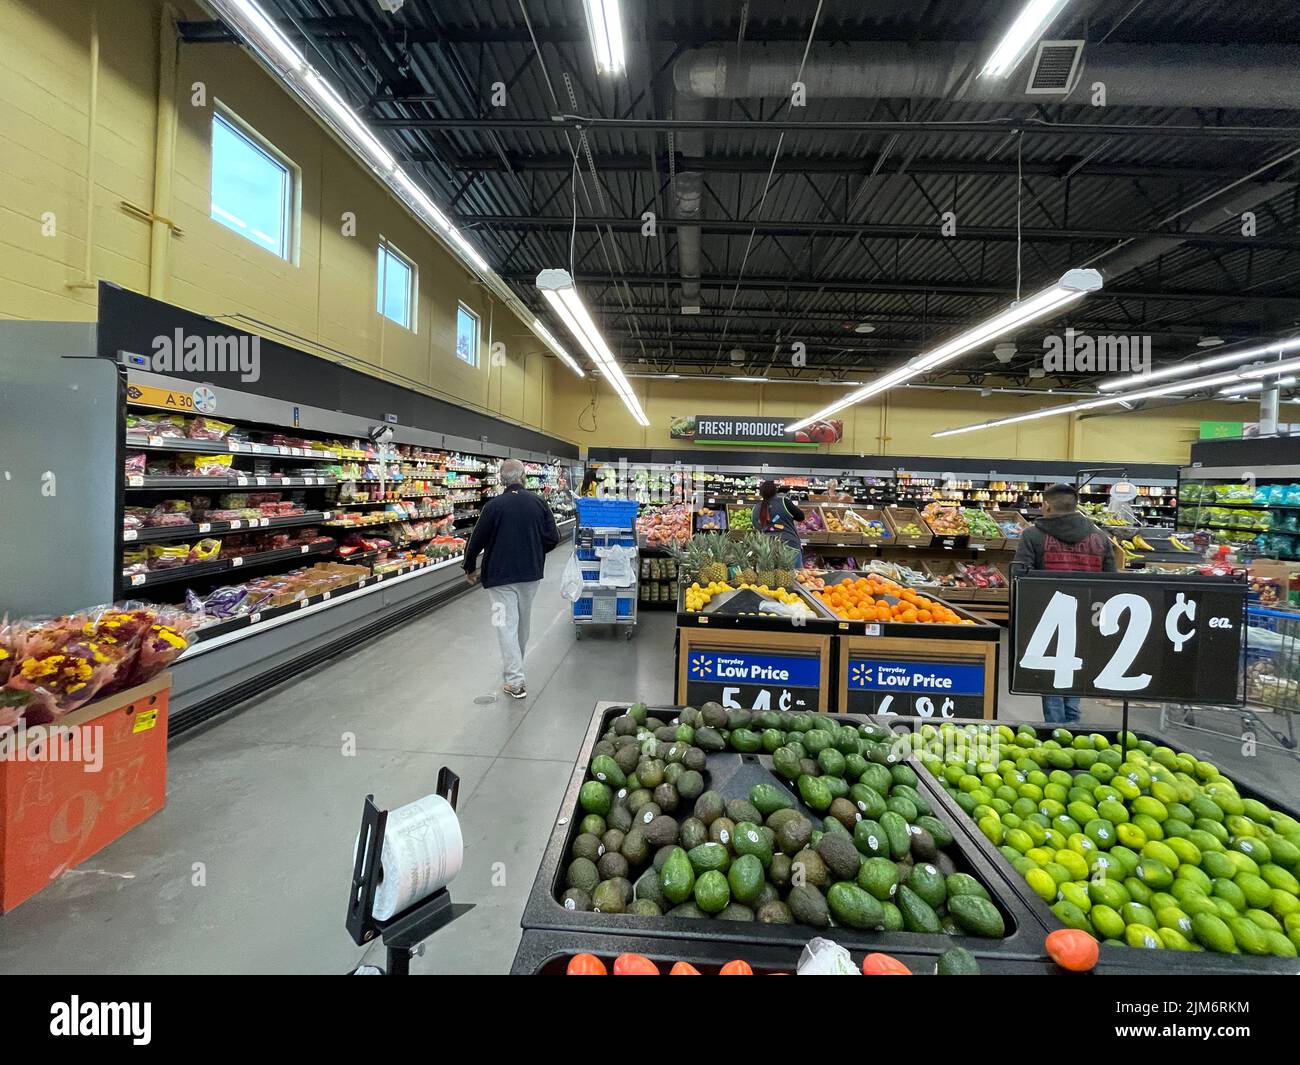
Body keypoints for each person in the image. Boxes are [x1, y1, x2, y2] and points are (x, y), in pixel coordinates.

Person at [1010, 483, 1119, 724]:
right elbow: (1112, 580)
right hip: (1088, 617)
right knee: (1076, 670)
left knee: (1051, 674)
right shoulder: (1100, 538)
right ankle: (1073, 725)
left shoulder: (1033, 535)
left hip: (1047, 616)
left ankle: (1056, 729)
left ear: (1046, 505)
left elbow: (1019, 575)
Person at [464, 458, 560, 700]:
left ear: (500, 480)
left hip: (500, 577)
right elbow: (553, 537)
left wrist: (469, 567)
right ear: (524, 478)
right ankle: (514, 671)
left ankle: (515, 680)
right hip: (530, 576)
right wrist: (536, 553)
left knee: (505, 626)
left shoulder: (493, 507)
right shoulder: (539, 503)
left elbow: (476, 540)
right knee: (522, 625)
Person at [752, 480, 805, 570]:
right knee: (796, 578)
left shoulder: (756, 508)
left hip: (768, 549)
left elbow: (757, 527)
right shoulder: (784, 502)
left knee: (772, 581)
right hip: (790, 546)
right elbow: (801, 517)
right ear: (775, 491)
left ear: (761, 493)